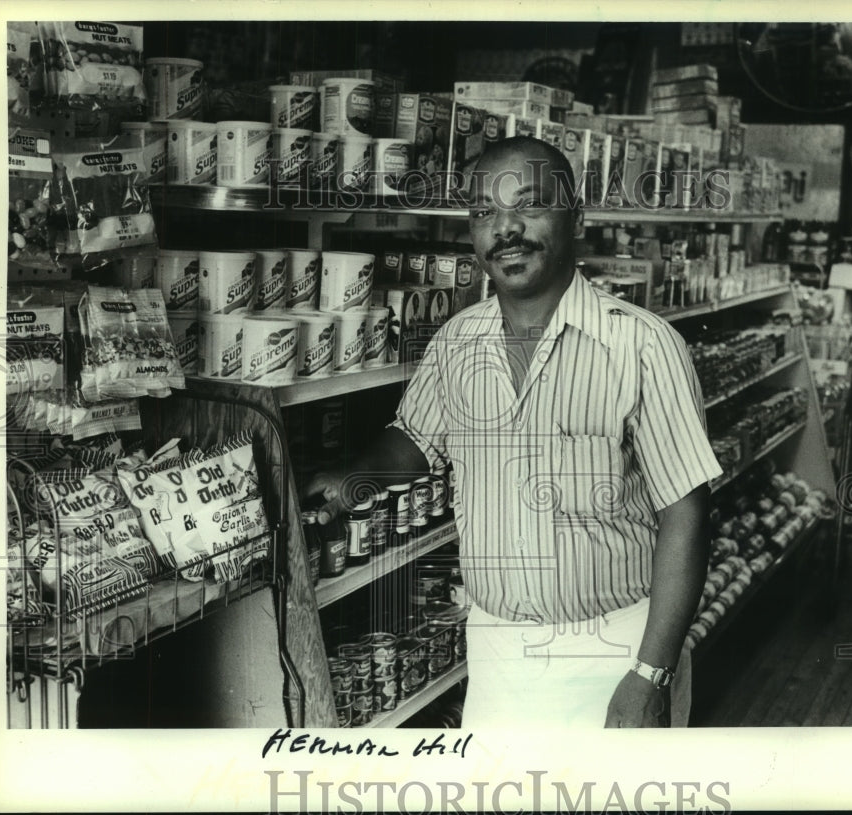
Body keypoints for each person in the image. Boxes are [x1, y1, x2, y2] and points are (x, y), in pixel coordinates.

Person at [308, 136, 722, 728]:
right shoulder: (456, 341)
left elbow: (687, 514)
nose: (506, 229)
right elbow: (413, 442)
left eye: (528, 206)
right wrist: (348, 478)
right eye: (484, 213)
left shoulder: (643, 344)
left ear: (576, 216)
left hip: (615, 649)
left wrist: (651, 674)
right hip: (496, 648)